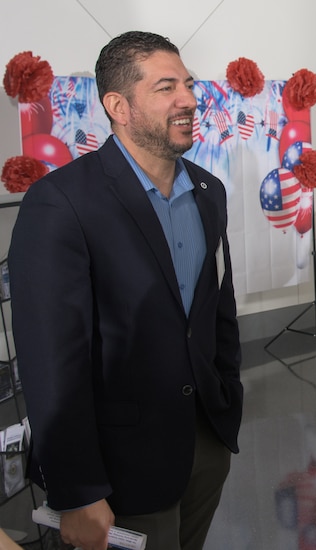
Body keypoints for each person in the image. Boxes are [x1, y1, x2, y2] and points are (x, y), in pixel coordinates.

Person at [8, 31, 243, 550]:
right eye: (166, 88)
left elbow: (216, 307)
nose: (187, 98)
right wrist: (76, 490)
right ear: (118, 106)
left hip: (205, 444)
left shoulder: (209, 192)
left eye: (188, 84)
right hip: (118, 466)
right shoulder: (61, 204)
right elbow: (51, 361)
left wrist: (227, 399)